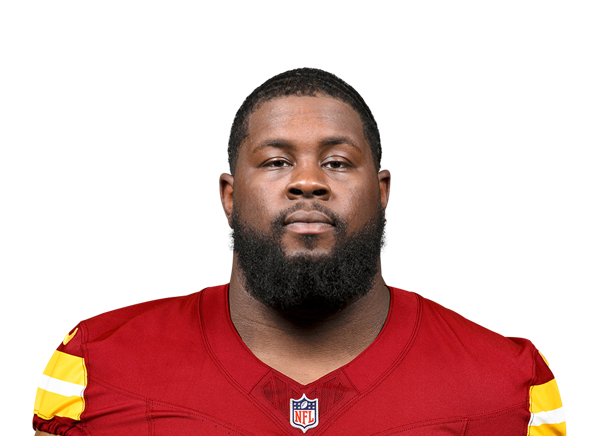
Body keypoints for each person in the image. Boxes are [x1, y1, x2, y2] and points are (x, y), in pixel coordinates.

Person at [33, 67, 566, 435]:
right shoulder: (93, 363)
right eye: (276, 162)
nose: (307, 181)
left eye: (337, 162)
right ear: (229, 195)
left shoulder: (510, 384)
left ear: (382, 191)